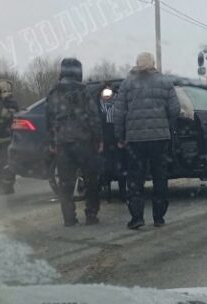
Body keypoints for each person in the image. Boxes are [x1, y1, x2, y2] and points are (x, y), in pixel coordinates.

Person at [114, 52, 180, 229]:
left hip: (135, 140)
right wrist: (167, 126)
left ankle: (137, 217)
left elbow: (118, 113)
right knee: (160, 176)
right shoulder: (165, 82)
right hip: (160, 138)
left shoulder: (127, 83)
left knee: (135, 178)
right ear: (153, 64)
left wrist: (120, 137)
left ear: (136, 64)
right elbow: (175, 109)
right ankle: (159, 217)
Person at [46, 58, 102, 227]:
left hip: (63, 143)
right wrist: (98, 138)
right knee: (91, 180)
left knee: (66, 183)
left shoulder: (54, 93)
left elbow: (48, 119)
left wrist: (51, 141)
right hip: (84, 142)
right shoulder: (84, 92)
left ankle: (69, 218)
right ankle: (91, 215)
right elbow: (93, 117)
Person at [97, 83, 123, 201]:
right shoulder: (97, 105)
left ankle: (123, 192)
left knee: (121, 167)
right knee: (105, 168)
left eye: (109, 91)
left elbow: (122, 120)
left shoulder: (119, 104)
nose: (107, 94)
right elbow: (96, 124)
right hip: (104, 140)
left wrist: (121, 138)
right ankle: (108, 193)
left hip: (117, 138)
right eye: (105, 91)